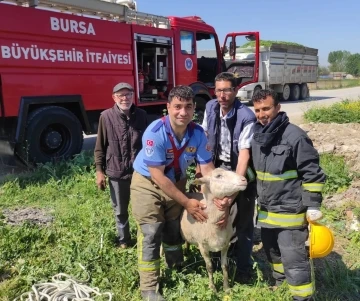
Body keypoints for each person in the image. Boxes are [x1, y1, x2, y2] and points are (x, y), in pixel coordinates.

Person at [130, 85, 233, 301]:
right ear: (167, 108)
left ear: (194, 108)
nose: (182, 112)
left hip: (177, 182)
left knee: (172, 227)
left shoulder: (197, 134)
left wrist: (220, 199)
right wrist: (187, 202)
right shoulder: (154, 133)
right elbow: (157, 176)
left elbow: (208, 171)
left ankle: (175, 266)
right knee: (150, 232)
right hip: (148, 184)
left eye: (188, 107)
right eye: (177, 107)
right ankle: (149, 288)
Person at [251, 89, 326, 301]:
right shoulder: (258, 137)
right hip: (267, 212)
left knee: (294, 258)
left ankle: (302, 297)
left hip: (290, 212)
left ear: (277, 108)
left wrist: (313, 206)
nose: (261, 114)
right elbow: (254, 171)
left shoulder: (295, 136)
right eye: (257, 110)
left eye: (266, 108)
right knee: (273, 252)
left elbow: (312, 173)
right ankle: (280, 282)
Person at [199, 72, 257, 280]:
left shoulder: (246, 117)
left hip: (240, 173)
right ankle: (217, 259)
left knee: (243, 222)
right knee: (215, 215)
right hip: (217, 169)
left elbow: (243, 156)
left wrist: (231, 195)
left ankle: (243, 269)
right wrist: (206, 176)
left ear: (236, 90)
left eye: (227, 90)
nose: (222, 95)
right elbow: (204, 141)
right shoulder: (210, 107)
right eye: (219, 90)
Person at [94, 82, 148, 249]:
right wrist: (99, 171)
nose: (125, 98)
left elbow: (148, 145)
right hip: (116, 172)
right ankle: (124, 241)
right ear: (114, 97)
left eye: (128, 95)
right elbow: (99, 147)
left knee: (143, 209)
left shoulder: (142, 115)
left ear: (133, 96)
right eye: (121, 95)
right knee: (120, 210)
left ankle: (144, 241)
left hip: (139, 174)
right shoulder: (106, 116)